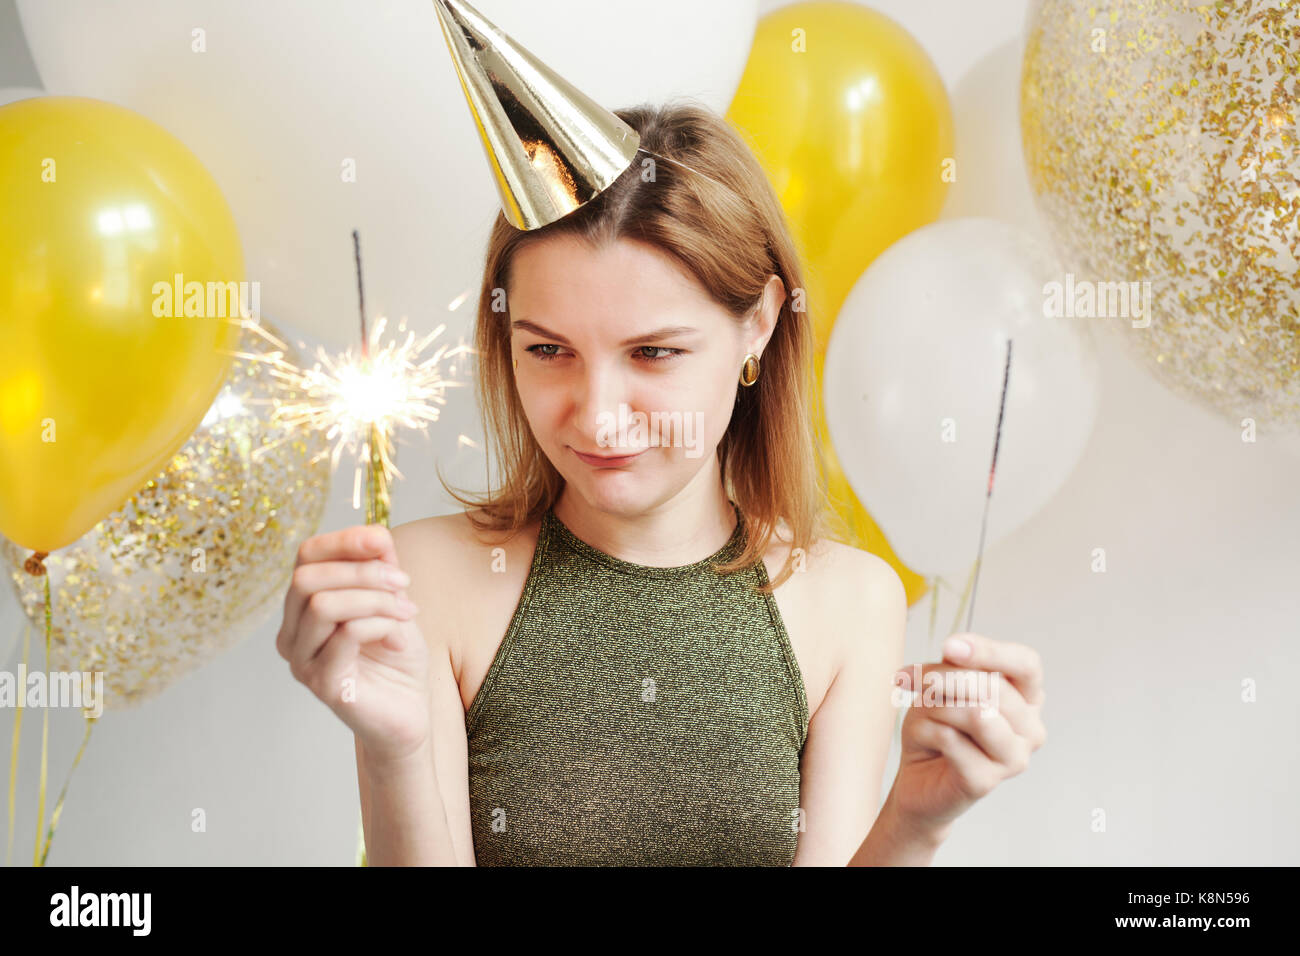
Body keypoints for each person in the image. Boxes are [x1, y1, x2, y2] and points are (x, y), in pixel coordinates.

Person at [276, 103, 1046, 866]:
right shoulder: (420, 583)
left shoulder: (849, 601)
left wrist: (915, 824)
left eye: (652, 353)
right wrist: (396, 753)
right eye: (548, 350)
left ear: (760, 324)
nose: (599, 418)